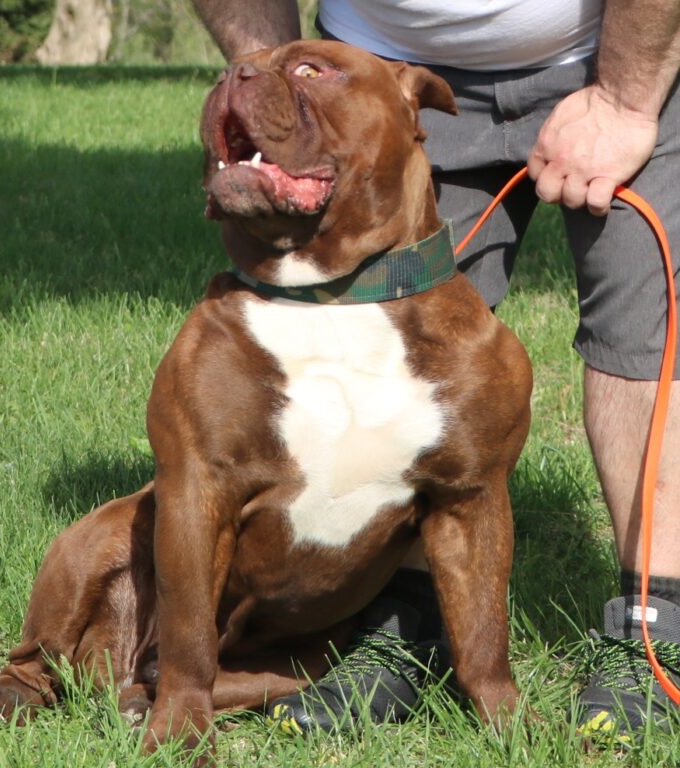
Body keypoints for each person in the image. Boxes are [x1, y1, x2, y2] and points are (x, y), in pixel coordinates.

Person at [191, 0, 680, 741]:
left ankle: (659, 627)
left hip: (618, 47)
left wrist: (623, 99)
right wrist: (274, 82)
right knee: (388, 333)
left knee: (648, 321)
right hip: (377, 61)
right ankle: (404, 623)